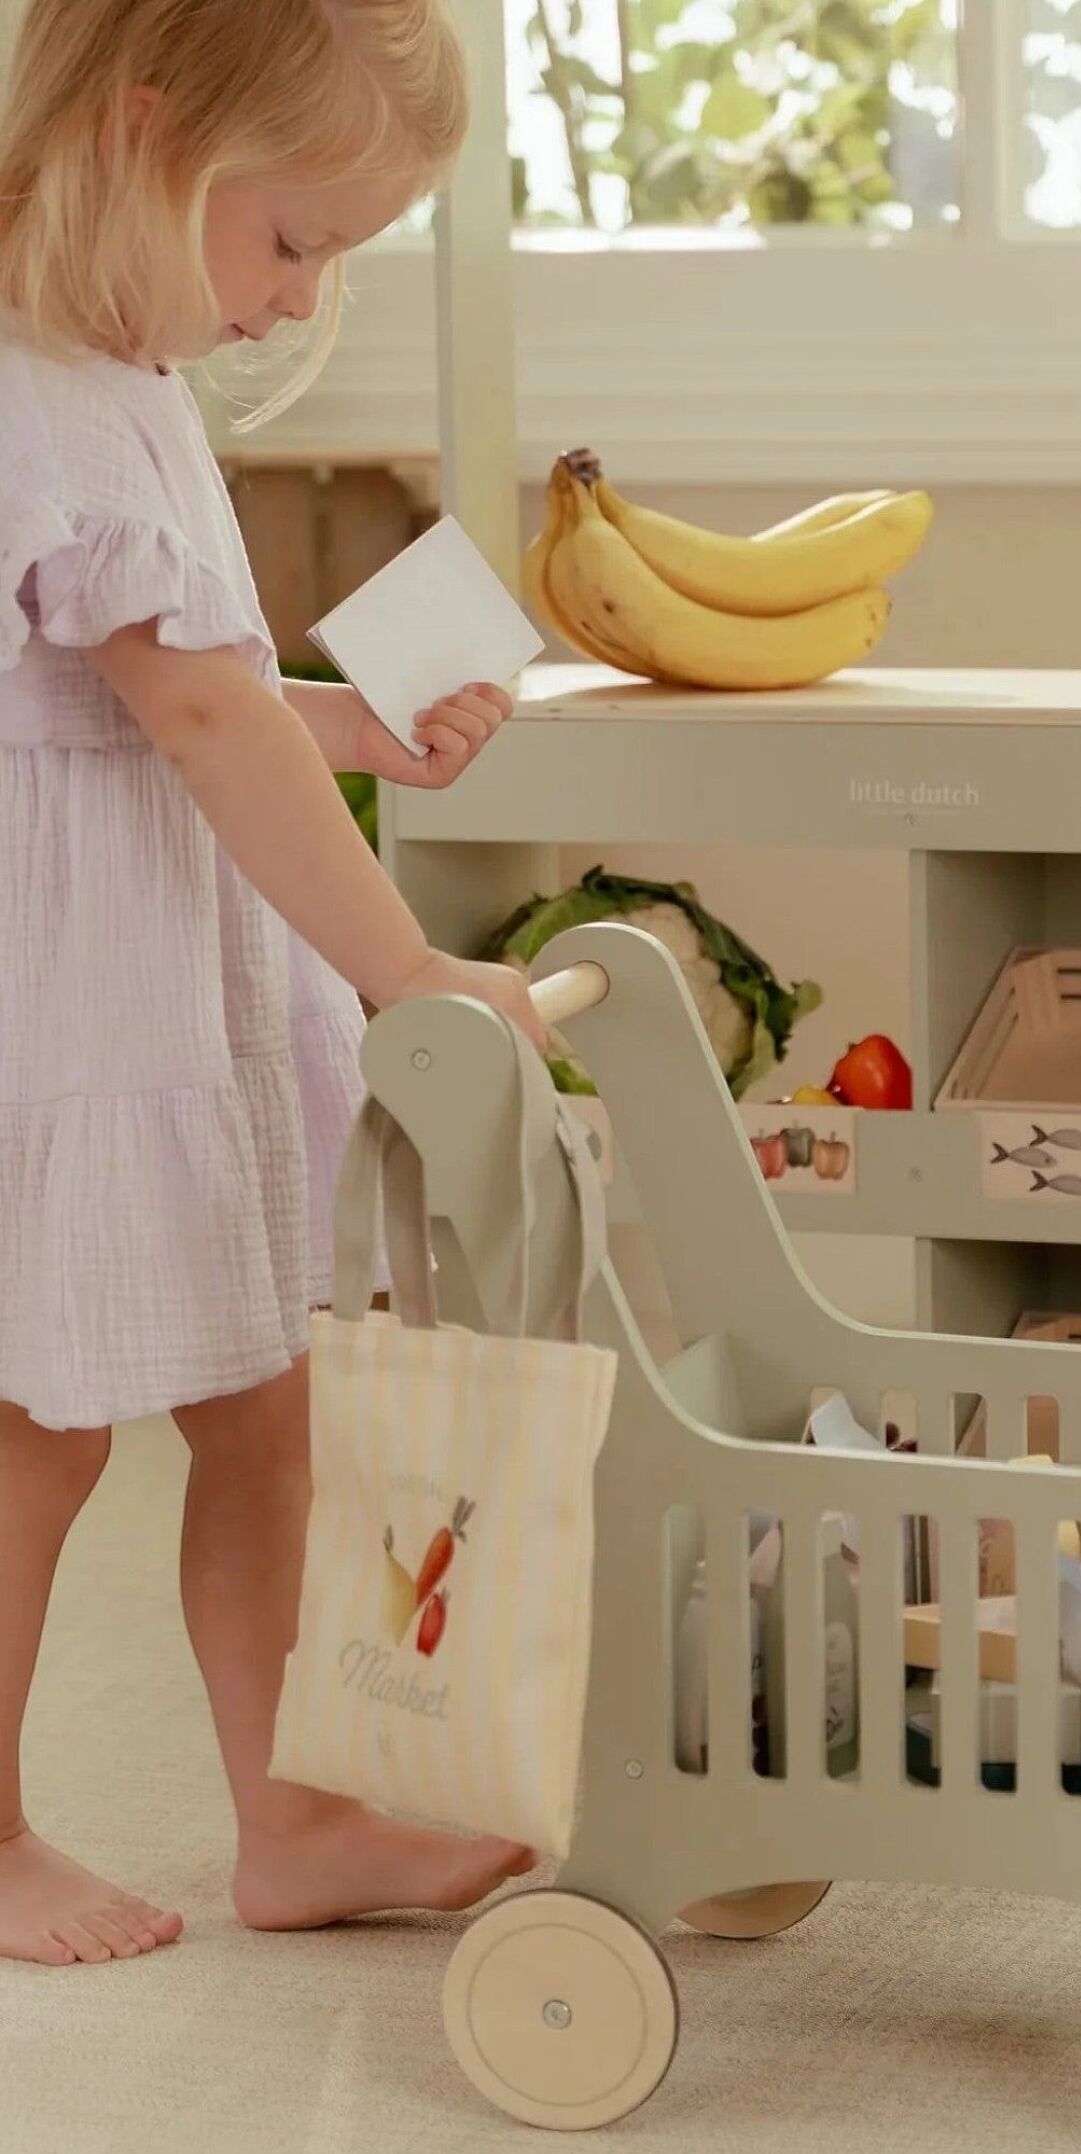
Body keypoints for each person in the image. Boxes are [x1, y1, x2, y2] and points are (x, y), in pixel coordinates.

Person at [0, 0, 548, 1966]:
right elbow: (190, 714)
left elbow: (170, 701)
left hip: (153, 962)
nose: (297, 293)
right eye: (293, 238)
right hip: (60, 992)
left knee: (263, 1397)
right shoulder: (36, 383)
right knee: (33, 1427)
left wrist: (364, 733)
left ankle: (294, 1813)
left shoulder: (119, 371)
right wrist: (403, 965)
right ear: (141, 134)